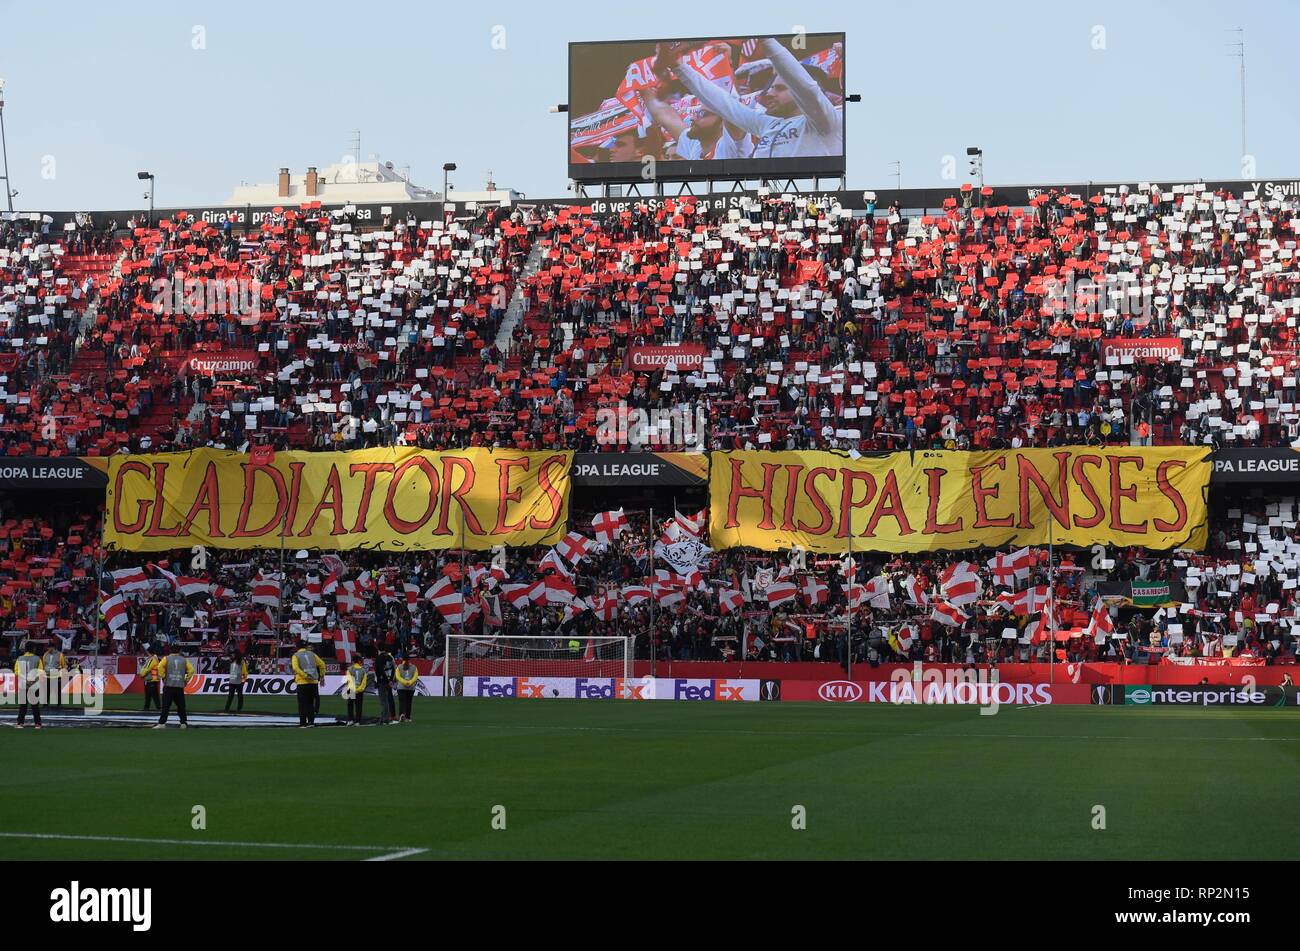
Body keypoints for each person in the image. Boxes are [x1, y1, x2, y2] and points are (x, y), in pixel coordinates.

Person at [665, 37, 842, 159]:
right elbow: (724, 104)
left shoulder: (826, 121)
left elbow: (807, 89)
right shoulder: (767, 124)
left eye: (780, 88)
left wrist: (765, 40)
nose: (770, 94)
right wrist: (679, 67)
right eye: (772, 87)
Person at [154, 643, 194, 729]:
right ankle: (183, 723)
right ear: (180, 651)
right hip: (179, 686)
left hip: (169, 685)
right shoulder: (184, 660)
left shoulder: (166, 658)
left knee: (166, 706)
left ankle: (162, 723)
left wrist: (163, 677)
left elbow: (160, 667)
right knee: (181, 706)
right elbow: (191, 670)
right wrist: (186, 680)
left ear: (170, 650)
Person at [291, 638, 325, 728]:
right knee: (310, 703)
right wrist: (322, 676)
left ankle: (303, 723)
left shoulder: (296, 655)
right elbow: (322, 664)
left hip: (302, 683)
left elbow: (295, 668)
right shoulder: (312, 654)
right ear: (306, 646)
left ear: (297, 647)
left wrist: (305, 675)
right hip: (313, 682)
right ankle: (311, 722)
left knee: (302, 704)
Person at [14, 641, 43, 729]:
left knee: (23, 705)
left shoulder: (20, 658)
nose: (35, 649)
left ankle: (20, 723)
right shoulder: (37, 658)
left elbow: (16, 671)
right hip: (34, 684)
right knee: (35, 705)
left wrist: (25, 679)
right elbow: (40, 671)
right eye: (34, 647)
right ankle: (37, 723)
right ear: (32, 648)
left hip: (23, 684)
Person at [374, 648, 397, 724]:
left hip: (382, 681)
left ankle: (384, 718)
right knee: (389, 699)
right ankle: (391, 715)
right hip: (389, 680)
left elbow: (379, 671)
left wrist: (378, 681)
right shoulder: (390, 657)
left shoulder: (379, 658)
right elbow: (394, 668)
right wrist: (391, 680)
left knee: (383, 700)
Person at [394, 652, 418, 722]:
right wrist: (409, 682)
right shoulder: (414, 667)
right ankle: (407, 717)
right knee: (409, 702)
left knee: (402, 702)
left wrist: (404, 682)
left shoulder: (399, 667)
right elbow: (415, 677)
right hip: (410, 688)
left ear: (402, 659)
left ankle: (401, 714)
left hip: (401, 687)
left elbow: (397, 676)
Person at [345, 657, 367, 725]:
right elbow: (364, 682)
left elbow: (349, 680)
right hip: (359, 691)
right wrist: (359, 689)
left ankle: (350, 720)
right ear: (359, 661)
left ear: (353, 662)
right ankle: (358, 721)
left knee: (350, 705)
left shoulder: (349, 669)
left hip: (351, 689)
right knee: (359, 706)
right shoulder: (363, 670)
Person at [140, 645, 162, 711]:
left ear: (149, 652)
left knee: (153, 696)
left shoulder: (152, 659)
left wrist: (142, 674)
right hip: (152, 679)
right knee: (149, 695)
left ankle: (157, 708)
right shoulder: (153, 659)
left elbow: (147, 669)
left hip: (151, 679)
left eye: (147, 652)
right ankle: (147, 707)